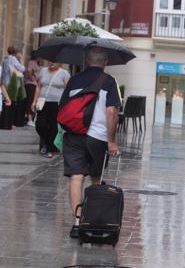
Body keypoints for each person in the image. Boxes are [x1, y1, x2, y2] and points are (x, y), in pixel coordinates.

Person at [61, 47, 121, 239]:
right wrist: (112, 141)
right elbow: (111, 112)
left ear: (86, 61)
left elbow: (63, 107)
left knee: (76, 177)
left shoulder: (74, 80)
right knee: (96, 178)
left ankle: (77, 223)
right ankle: (94, 220)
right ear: (105, 62)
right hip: (98, 137)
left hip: (73, 134)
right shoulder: (109, 82)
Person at [31, 62, 70, 158]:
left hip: (57, 103)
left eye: (54, 61)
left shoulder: (64, 73)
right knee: (39, 124)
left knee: (54, 126)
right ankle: (49, 144)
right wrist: (34, 101)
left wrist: (67, 103)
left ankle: (48, 148)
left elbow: (67, 89)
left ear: (59, 63)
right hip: (43, 102)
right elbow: (38, 87)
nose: (51, 63)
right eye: (50, 60)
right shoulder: (43, 71)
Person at [24, 51, 41, 127]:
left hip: (34, 84)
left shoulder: (36, 63)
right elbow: (29, 70)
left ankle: (31, 117)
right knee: (30, 100)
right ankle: (29, 119)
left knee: (33, 100)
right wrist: (32, 79)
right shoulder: (32, 62)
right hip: (31, 84)